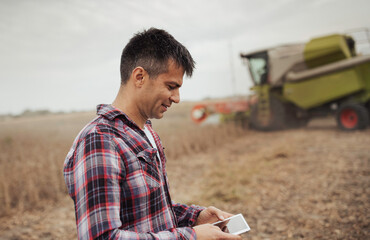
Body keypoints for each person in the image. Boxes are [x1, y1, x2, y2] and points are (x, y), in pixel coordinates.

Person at [63, 28, 241, 240]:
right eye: (171, 86)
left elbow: (149, 213)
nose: (176, 98)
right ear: (140, 77)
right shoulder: (100, 140)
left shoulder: (146, 132)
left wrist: (195, 217)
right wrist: (190, 236)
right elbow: (103, 237)